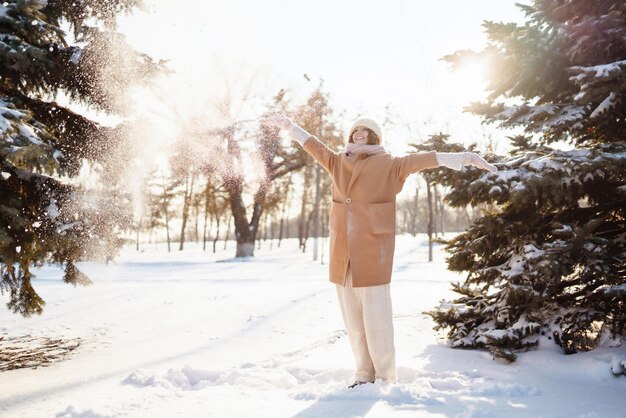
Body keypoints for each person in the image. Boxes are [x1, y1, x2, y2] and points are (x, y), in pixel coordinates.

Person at [266, 114, 497, 388]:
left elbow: (426, 159)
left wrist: (466, 158)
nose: (359, 133)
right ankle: (363, 374)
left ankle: (386, 377)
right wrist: (290, 127)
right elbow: (314, 146)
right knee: (353, 322)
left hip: (373, 250)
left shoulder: (390, 164)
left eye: (365, 130)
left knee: (377, 322)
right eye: (355, 130)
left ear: (375, 136)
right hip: (343, 252)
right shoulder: (338, 161)